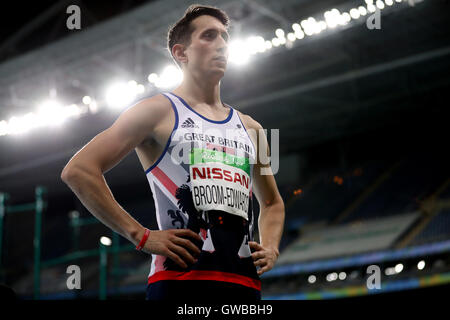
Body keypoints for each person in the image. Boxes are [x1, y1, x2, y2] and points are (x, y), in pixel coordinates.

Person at [61, 4, 285, 301]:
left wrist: (270, 246)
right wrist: (139, 235)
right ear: (181, 53)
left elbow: (271, 202)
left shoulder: (251, 127)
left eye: (225, 37)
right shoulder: (156, 112)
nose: (222, 44)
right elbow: (78, 170)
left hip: (243, 285)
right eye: (209, 36)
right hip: (179, 283)